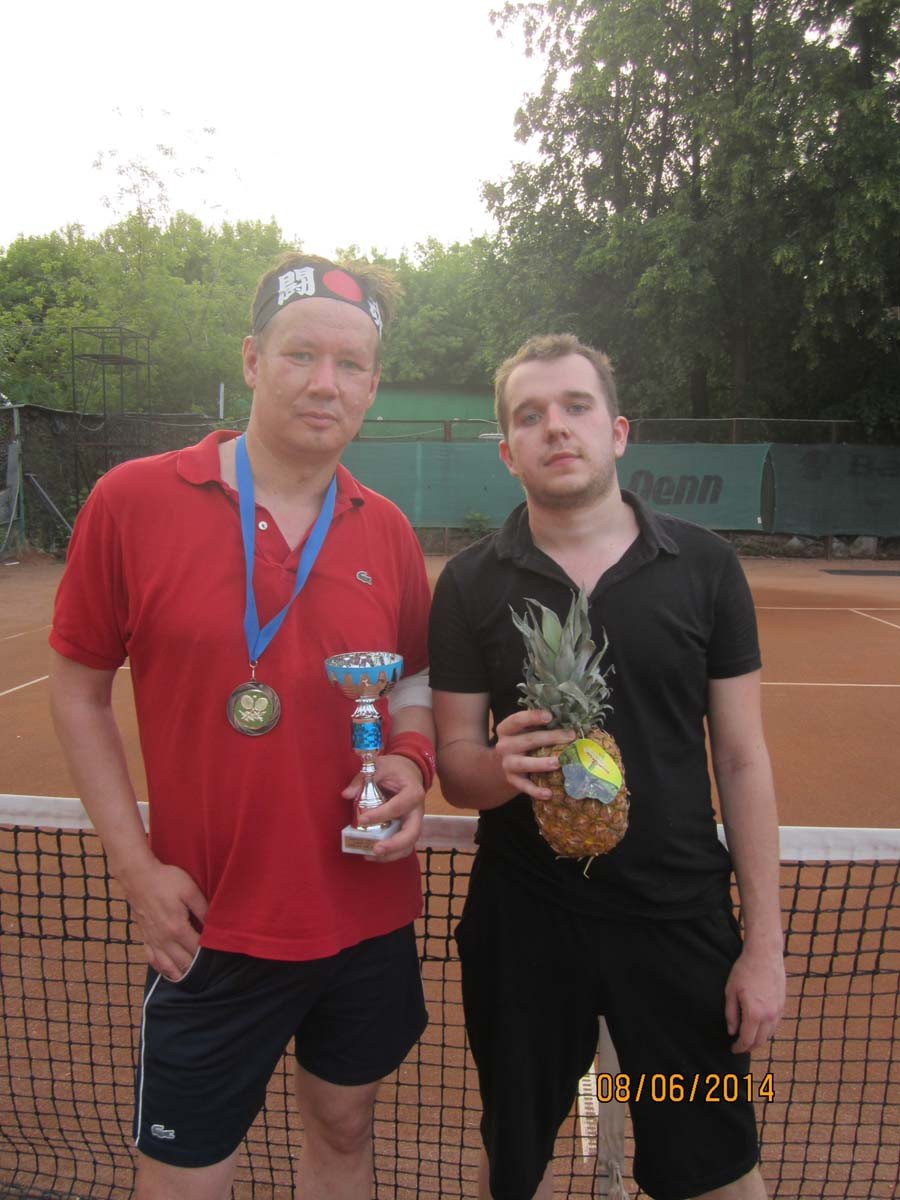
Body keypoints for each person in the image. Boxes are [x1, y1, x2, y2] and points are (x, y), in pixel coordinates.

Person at [49, 252, 436, 1200]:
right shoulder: (131, 501)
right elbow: (78, 690)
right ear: (253, 360)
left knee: (344, 1129)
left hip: (365, 918)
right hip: (208, 923)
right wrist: (135, 869)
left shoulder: (386, 529)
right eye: (301, 355)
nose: (325, 383)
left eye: (350, 365)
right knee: (183, 1177)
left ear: (372, 386)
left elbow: (415, 677)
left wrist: (410, 759)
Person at [428, 334, 785, 1200]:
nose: (556, 427)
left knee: (719, 1170)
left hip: (678, 922)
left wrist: (764, 947)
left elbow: (741, 758)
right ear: (508, 451)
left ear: (618, 431)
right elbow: (456, 766)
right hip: (523, 926)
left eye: (576, 407)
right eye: (530, 416)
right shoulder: (471, 583)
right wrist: (499, 767)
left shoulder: (706, 566)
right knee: (513, 1166)